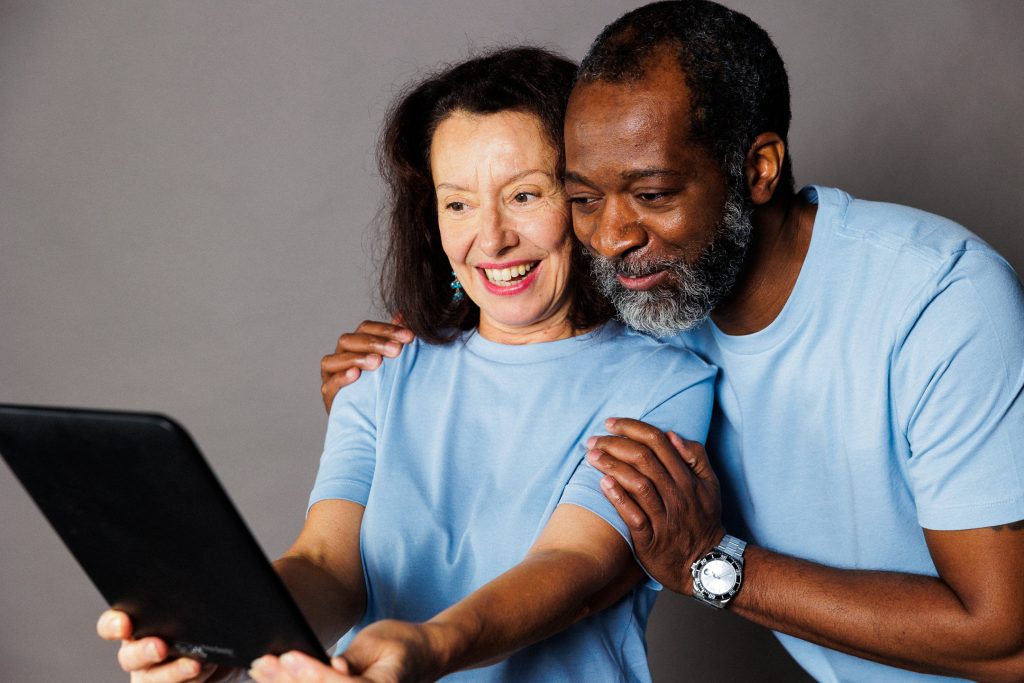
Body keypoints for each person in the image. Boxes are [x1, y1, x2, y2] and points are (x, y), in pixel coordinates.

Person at [321, 2, 1024, 681]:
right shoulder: (657, 301)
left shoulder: (938, 301)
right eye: (587, 198)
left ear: (758, 169)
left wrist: (711, 562)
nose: (613, 235)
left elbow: (1008, 640)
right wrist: (389, 391)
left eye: (652, 194)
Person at [96, 47, 716, 683]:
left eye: (525, 195)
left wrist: (430, 647)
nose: (491, 237)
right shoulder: (380, 370)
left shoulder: (666, 384)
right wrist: (227, 633)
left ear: (585, 198)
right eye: (458, 204)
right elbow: (326, 564)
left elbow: (573, 568)